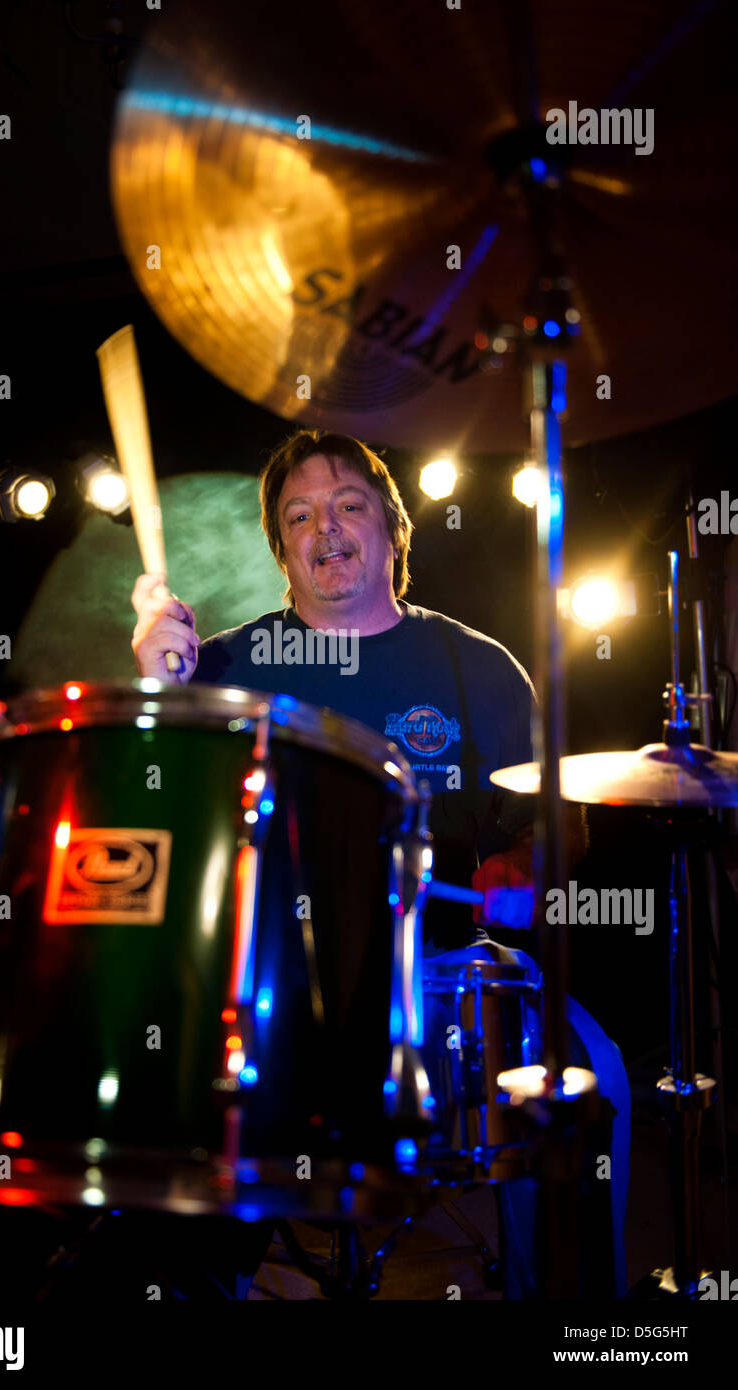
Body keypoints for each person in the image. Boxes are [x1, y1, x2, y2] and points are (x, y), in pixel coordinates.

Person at [130, 428, 629, 1299]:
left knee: (595, 1082)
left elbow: (561, 824)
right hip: (261, 991)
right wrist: (154, 693)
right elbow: (153, 826)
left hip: (441, 971)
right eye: (298, 516)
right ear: (280, 550)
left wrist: (520, 860)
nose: (324, 528)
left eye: (347, 506)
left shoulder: (476, 667)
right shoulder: (220, 667)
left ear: (393, 530)